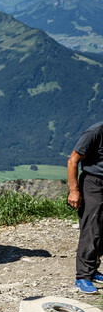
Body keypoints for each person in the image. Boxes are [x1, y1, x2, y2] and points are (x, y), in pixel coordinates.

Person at [67, 121, 103, 294]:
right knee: (91, 230)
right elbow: (73, 160)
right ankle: (82, 277)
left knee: (101, 231)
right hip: (93, 184)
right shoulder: (95, 132)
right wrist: (74, 191)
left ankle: (93, 269)